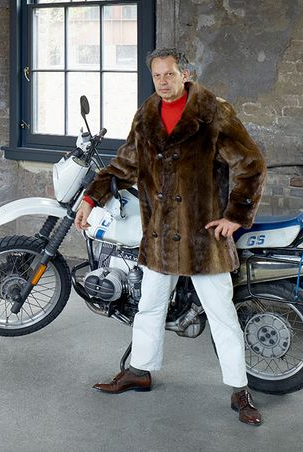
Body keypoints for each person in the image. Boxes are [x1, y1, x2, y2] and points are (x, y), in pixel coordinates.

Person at [74, 48, 267, 426]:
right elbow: (124, 165)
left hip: (202, 237)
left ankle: (240, 390)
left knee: (223, 315)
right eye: (157, 75)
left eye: (169, 74)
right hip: (161, 234)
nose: (163, 82)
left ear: (186, 74)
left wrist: (235, 216)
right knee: (149, 307)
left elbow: (251, 163)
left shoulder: (213, 112)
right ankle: (139, 371)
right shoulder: (147, 115)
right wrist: (90, 197)